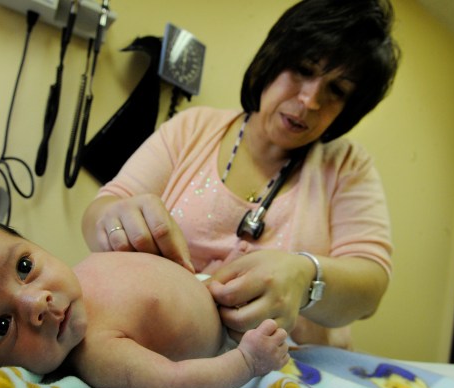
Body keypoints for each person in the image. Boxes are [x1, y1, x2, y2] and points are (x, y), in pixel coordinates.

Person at [82, 0, 400, 349]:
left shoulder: (347, 165)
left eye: (337, 90)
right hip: (160, 353)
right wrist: (116, 220)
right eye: (303, 69)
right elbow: (104, 209)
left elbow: (370, 287)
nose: (310, 101)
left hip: (292, 373)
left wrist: (306, 276)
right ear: (274, 59)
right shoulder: (193, 128)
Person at [0, 215, 289, 388]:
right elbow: (177, 382)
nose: (36, 303)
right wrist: (248, 361)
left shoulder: (86, 268)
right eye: (1, 327)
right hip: (231, 337)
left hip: (221, 292)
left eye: (24, 266)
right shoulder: (98, 351)